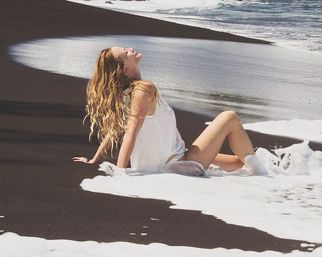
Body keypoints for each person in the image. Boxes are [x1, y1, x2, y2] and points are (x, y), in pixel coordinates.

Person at [73, 47, 267, 176]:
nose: (130, 49)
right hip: (177, 163)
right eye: (126, 52)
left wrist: (94, 160)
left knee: (239, 164)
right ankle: (265, 177)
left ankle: (263, 173)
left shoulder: (127, 95)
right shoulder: (143, 89)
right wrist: (121, 172)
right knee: (229, 117)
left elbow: (115, 130)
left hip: (178, 157)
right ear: (125, 69)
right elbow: (130, 131)